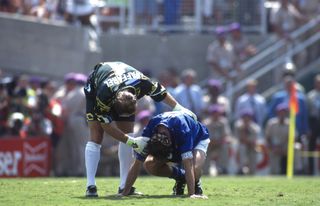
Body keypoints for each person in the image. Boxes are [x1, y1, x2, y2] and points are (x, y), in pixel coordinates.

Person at [83, 61, 195, 197]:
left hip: (122, 80)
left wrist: (179, 108)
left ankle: (124, 185)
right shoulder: (104, 94)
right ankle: (91, 185)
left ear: (136, 99)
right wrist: (132, 142)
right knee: (96, 135)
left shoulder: (142, 82)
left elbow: (162, 93)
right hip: (96, 84)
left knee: (127, 132)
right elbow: (105, 126)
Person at [120, 111, 209, 199]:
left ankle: (196, 182)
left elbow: (187, 163)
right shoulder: (149, 131)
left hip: (197, 139)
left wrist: (191, 194)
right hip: (174, 140)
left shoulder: (183, 129)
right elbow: (137, 164)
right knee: (150, 164)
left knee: (194, 170)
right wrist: (125, 193)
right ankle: (181, 177)